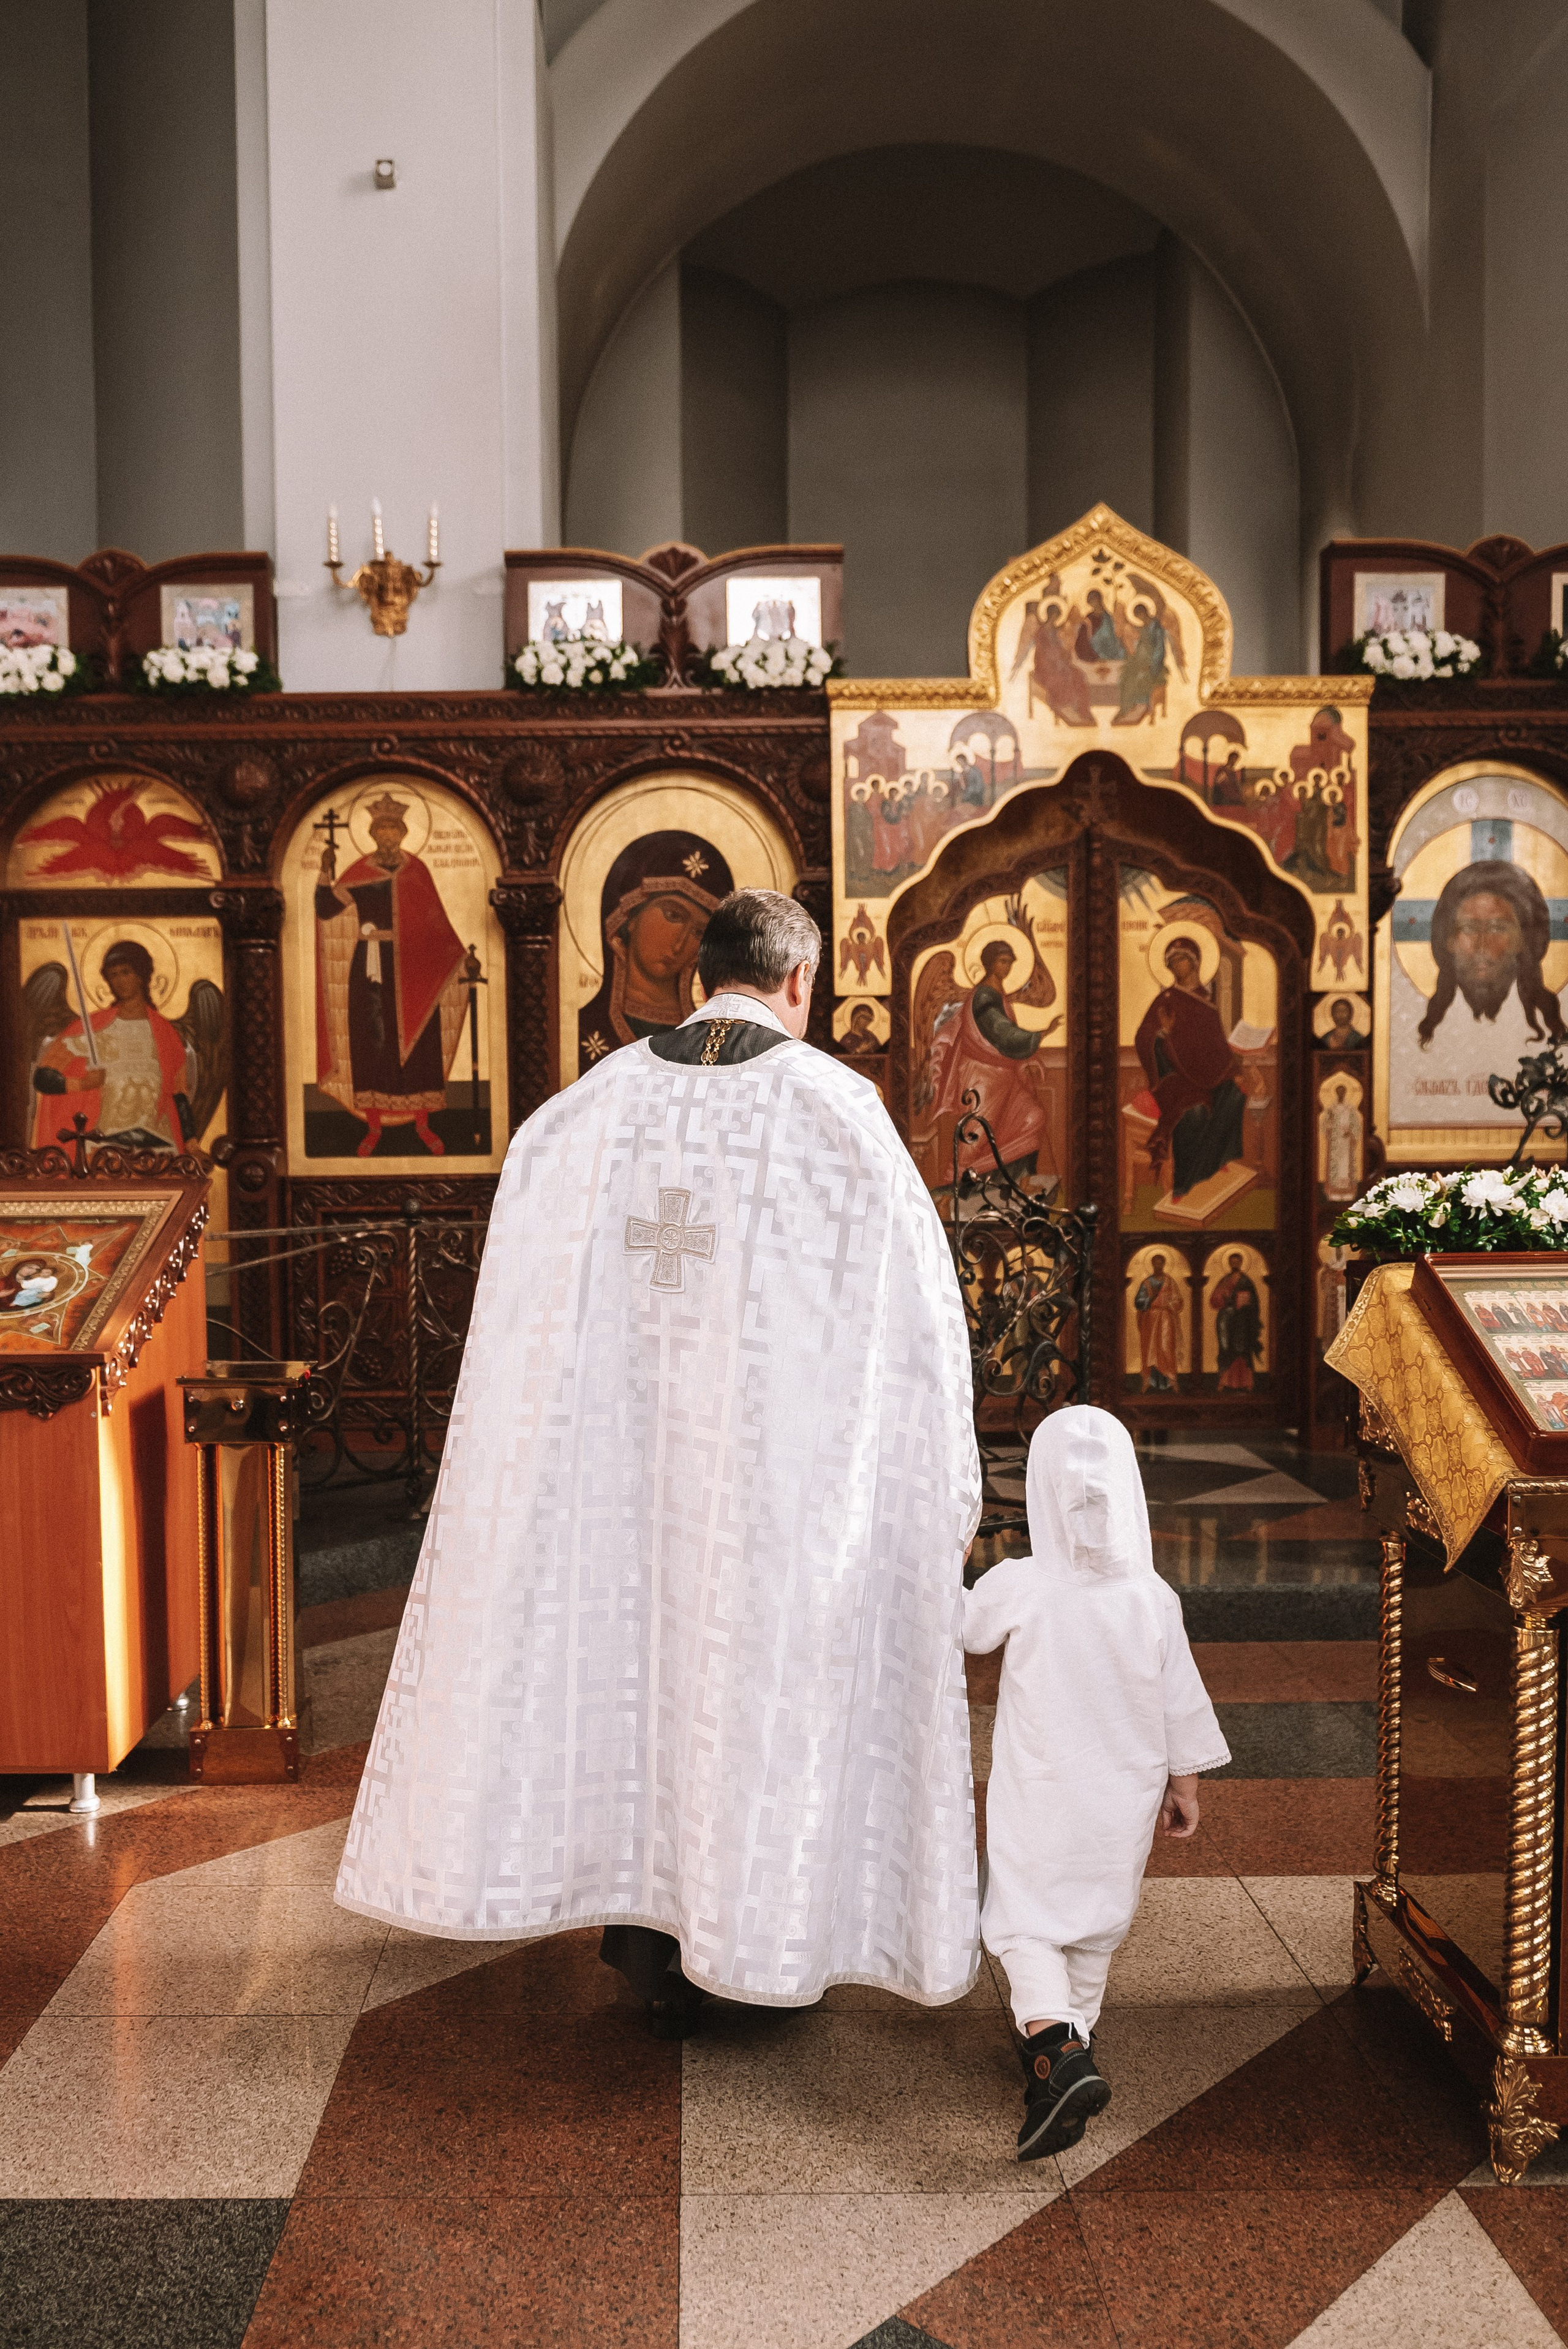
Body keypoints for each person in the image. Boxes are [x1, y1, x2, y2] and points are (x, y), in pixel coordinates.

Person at [336, 889, 983, 2034]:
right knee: (744, 1690)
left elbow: (517, 1326)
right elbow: (921, 1328)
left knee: (638, 1687)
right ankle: (758, 1947)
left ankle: (645, 1943)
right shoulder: (839, 1112)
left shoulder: (583, 1112)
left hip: (615, 1490)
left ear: (700, 980)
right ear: (801, 984)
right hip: (775, 1489)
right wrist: (940, 1489)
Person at [963, 1407, 1229, 2160]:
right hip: (1124, 1796)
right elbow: (1181, 1698)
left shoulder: (1023, 1584)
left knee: (1024, 1920)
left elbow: (960, 1626)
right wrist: (1187, 1783)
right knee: (1095, 1924)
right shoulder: (1152, 1596)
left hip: (1042, 1792)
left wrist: (936, 1556)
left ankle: (1054, 2051)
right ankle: (1074, 2042)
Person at [315, 793, 469, 1155]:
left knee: (420, 1049)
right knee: (371, 1044)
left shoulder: (417, 871)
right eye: (381, 831)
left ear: (401, 834)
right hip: (371, 967)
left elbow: (436, 925)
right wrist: (325, 872)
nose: (388, 837)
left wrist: (456, 958)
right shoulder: (359, 871)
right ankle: (372, 1127)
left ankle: (423, 1125)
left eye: (393, 830)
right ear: (373, 834)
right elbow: (326, 908)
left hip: (414, 971)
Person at [31, 938, 195, 1150]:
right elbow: (42, 1078)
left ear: (142, 976)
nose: (119, 981)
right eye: (113, 975)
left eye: (126, 972)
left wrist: (192, 1145)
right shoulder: (92, 1029)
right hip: (104, 1145)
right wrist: (81, 1084)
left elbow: (179, 1096)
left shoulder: (166, 1035)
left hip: (159, 1146)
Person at [1134, 933, 1246, 1199]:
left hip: (1207, 1074)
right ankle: (1185, 1183)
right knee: (1193, 1112)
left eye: (1180, 958)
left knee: (1235, 1095)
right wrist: (1162, 1033)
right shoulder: (1166, 999)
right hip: (1174, 1078)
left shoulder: (1208, 1003)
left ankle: (1215, 1165)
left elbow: (1217, 1046)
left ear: (1194, 962)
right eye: (1170, 961)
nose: (1175, 965)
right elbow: (1143, 1037)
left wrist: (1235, 1069)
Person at [1417, 859, 1567, 1048]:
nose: (1481, 946)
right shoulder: (1435, 1027)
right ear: (1450, 941)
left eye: (1497, 928)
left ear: (1522, 940)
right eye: (1469, 928)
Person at [1211, 1253, 1262, 1390]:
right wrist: (1223, 1298)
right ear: (1229, 1263)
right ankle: (1224, 1381)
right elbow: (1214, 1300)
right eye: (1232, 1262)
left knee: (1242, 1349)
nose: (1235, 1264)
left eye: (1237, 1262)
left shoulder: (1246, 1281)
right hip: (1226, 1320)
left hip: (1242, 1320)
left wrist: (1243, 1300)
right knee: (1226, 1348)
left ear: (1241, 1263)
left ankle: (1247, 1383)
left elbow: (1255, 1302)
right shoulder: (1225, 1280)